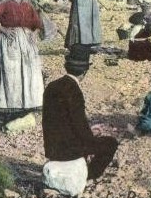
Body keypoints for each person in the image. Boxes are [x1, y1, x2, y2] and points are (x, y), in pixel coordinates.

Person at [42, 51, 118, 180]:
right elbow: (79, 125)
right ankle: (90, 175)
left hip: (51, 148)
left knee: (91, 138)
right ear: (84, 72)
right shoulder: (74, 90)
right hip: (69, 150)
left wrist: (90, 132)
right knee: (111, 143)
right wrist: (91, 138)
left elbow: (54, 120)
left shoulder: (52, 86)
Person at [0, 0, 44, 122]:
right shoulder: (4, 5)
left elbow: (38, 24)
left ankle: (27, 106)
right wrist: (2, 29)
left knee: (29, 74)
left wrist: (33, 34)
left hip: (27, 47)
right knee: (12, 76)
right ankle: (9, 109)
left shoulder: (28, 6)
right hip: (10, 45)